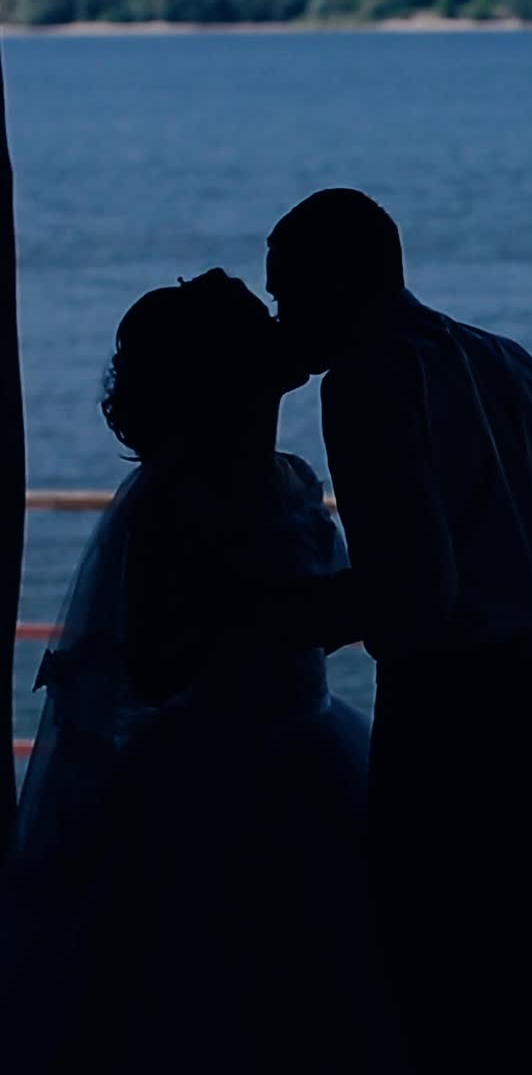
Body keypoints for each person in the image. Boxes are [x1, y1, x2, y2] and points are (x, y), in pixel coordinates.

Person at [0, 270, 389, 1074]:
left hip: (294, 740)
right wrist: (307, 615)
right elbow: (156, 659)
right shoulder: (176, 500)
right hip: (222, 764)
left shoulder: (289, 477)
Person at [266, 188, 532, 1072]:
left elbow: (413, 594)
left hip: (448, 703)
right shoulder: (506, 358)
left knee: (429, 967)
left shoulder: (365, 381)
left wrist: (268, 616)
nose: (283, 318)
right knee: (528, 956)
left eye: (291, 293)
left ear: (342, 279)